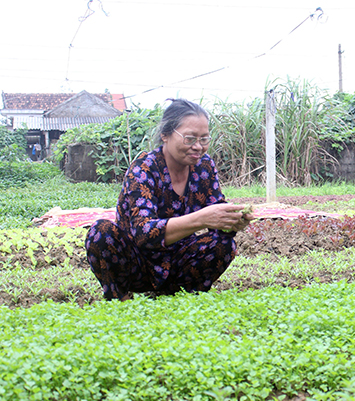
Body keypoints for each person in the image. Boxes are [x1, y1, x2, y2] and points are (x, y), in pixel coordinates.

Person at [85, 99, 253, 301]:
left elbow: (217, 222)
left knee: (223, 245)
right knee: (100, 233)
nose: (198, 147)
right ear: (165, 135)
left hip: (178, 262)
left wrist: (232, 221)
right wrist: (201, 219)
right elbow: (143, 233)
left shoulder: (204, 166)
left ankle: (177, 297)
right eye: (189, 139)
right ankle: (120, 298)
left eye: (204, 139)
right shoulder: (143, 168)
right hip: (136, 263)